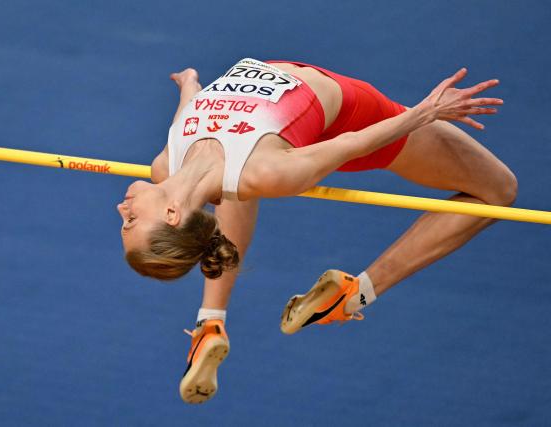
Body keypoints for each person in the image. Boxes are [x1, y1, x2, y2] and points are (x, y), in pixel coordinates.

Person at [116, 58, 514, 403]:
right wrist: (426, 111)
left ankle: (210, 321)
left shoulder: (166, 168)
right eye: (130, 221)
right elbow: (354, 143)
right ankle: (353, 294)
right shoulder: (267, 172)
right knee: (499, 190)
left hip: (277, 144)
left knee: (233, 184)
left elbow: (187, 115)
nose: (122, 209)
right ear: (171, 214)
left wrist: (190, 85)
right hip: (359, 120)